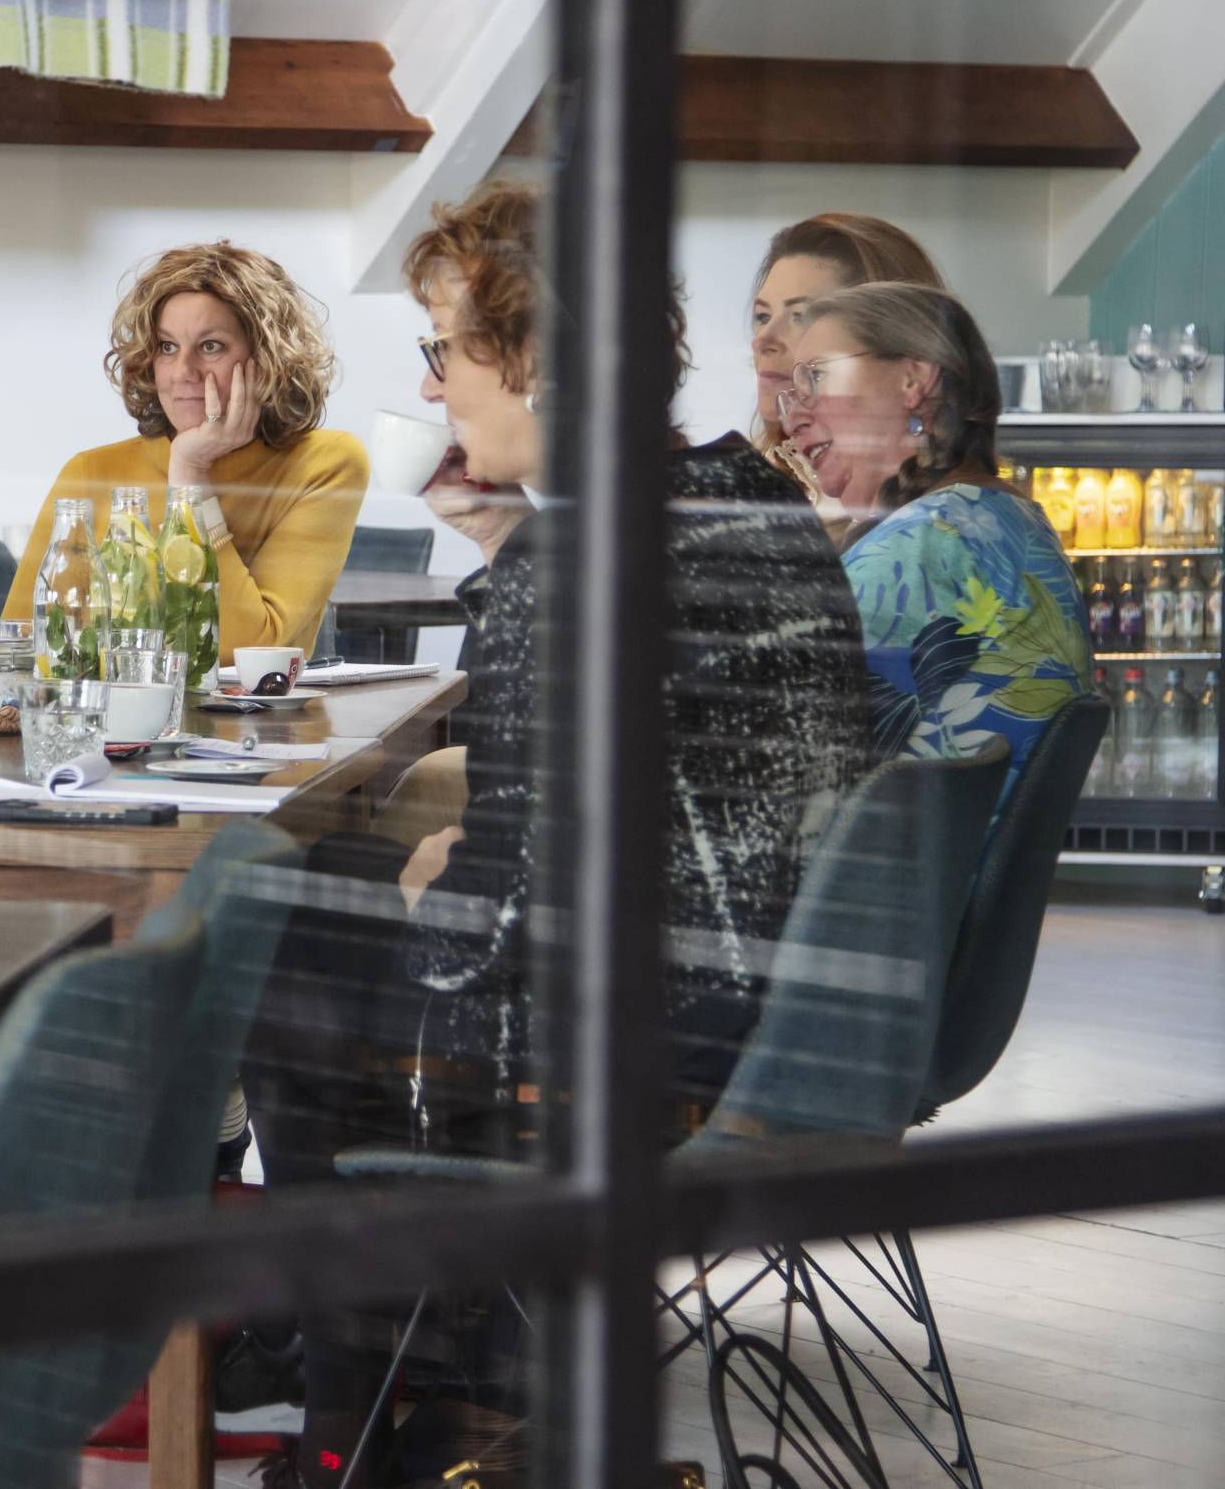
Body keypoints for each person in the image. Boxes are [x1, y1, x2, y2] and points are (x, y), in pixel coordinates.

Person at [244, 182, 873, 1489]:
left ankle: (351, 1415)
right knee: (348, 885)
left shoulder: (568, 558)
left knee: (276, 943)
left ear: (533, 357)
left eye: (446, 347)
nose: (437, 385)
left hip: (625, 1028)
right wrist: (436, 865)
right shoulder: (746, 490)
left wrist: (432, 884)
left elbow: (501, 927)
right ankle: (452, 1370)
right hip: (778, 998)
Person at [780, 281, 1090, 805]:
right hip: (940, 880)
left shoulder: (920, 548)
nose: (792, 419)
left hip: (882, 882)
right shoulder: (1009, 521)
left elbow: (783, 766)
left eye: (816, 376)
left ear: (913, 379)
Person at [3, 242, 368, 653]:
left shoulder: (325, 462)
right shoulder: (93, 470)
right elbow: (21, 645)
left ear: (267, 358)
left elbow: (246, 649)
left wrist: (190, 476)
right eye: (167, 347)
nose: (182, 373)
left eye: (211, 346)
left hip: (252, 718)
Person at [748, 214, 944, 495]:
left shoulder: (937, 516)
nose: (763, 340)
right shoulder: (756, 484)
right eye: (762, 316)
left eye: (802, 316)